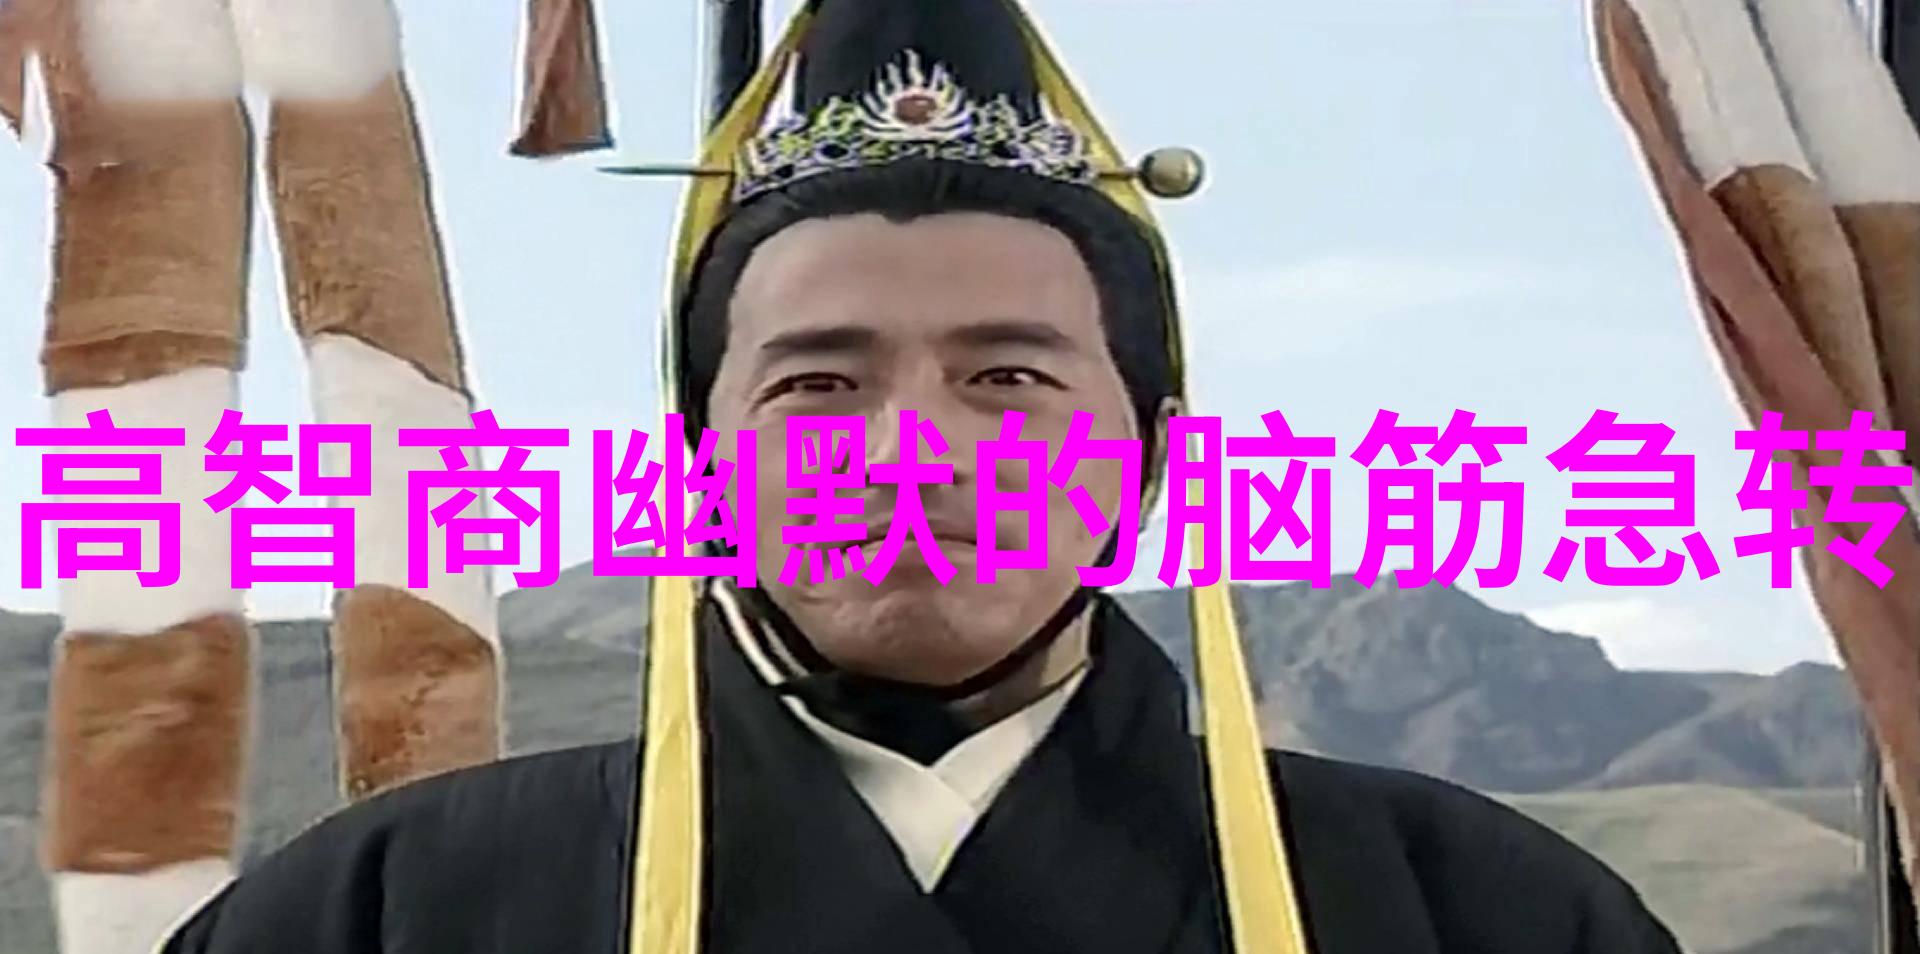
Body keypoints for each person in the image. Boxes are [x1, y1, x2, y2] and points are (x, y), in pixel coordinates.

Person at [161, 1, 1683, 951]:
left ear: (1153, 451)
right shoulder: (379, 911)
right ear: (701, 460)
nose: (909, 451)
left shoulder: (1481, 910)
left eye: (1008, 379)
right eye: (817, 383)